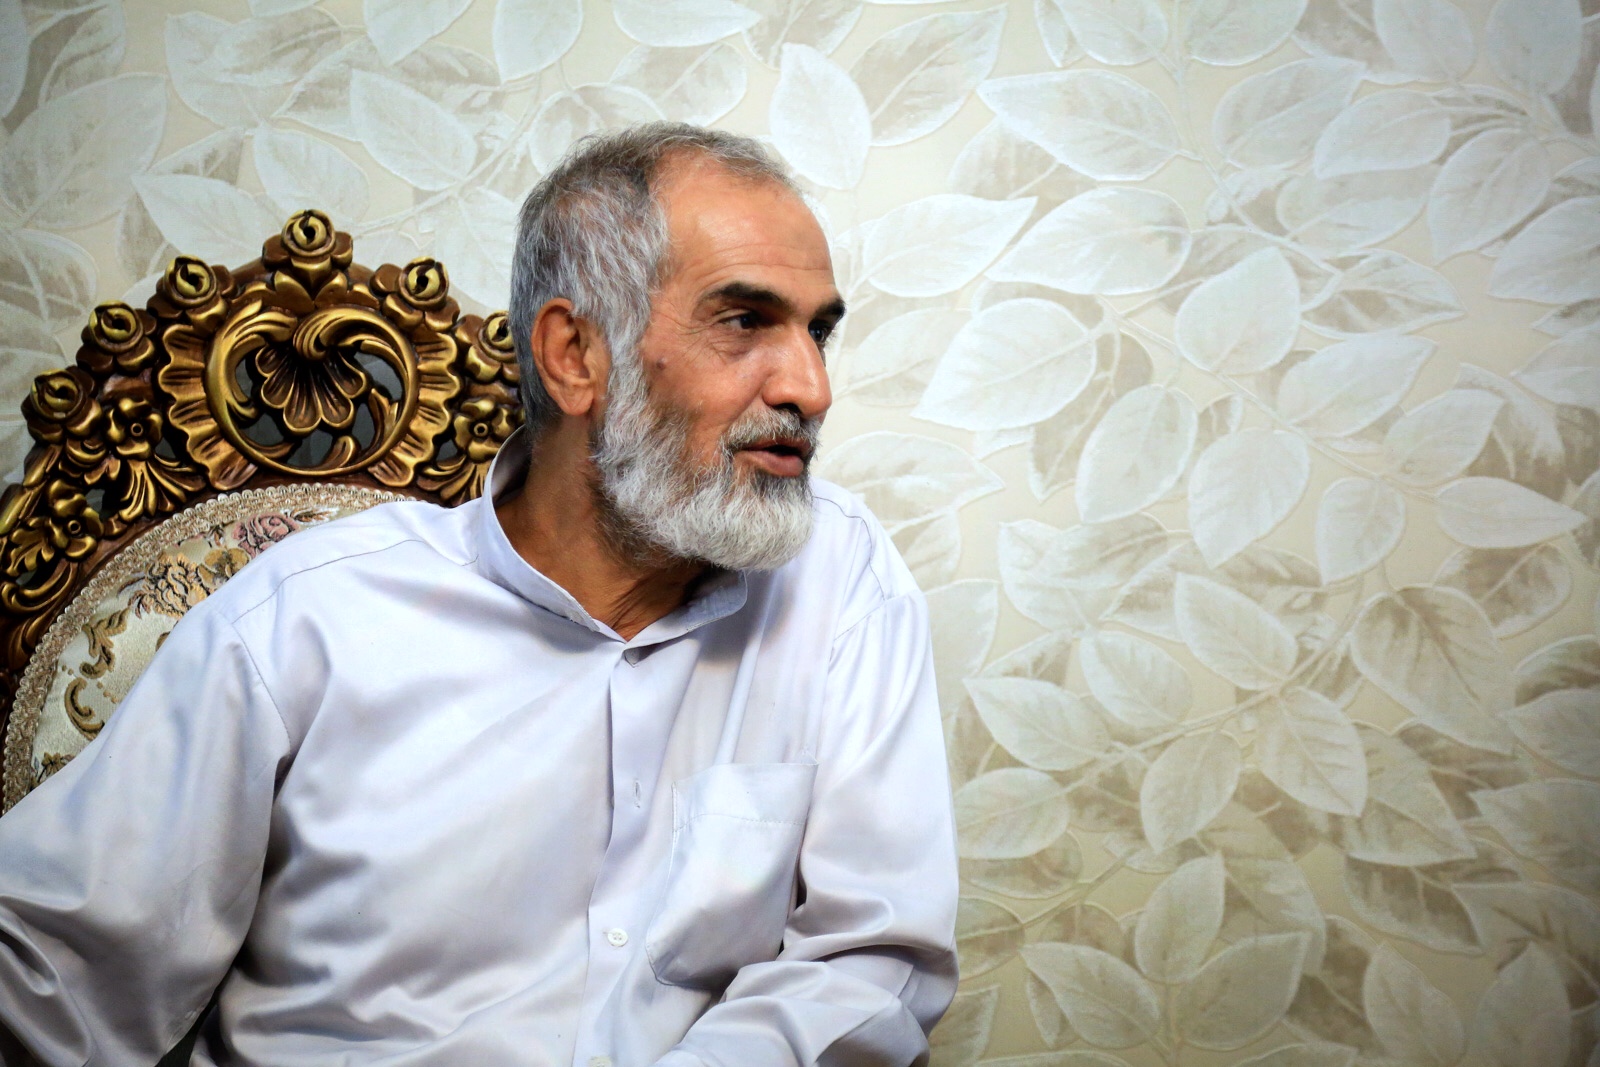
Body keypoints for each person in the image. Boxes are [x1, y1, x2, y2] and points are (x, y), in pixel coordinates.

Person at [0, 123, 958, 1066]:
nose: (811, 387)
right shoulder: (305, 620)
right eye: (744, 321)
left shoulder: (841, 579)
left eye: (817, 330)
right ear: (575, 355)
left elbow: (870, 958)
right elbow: (53, 977)